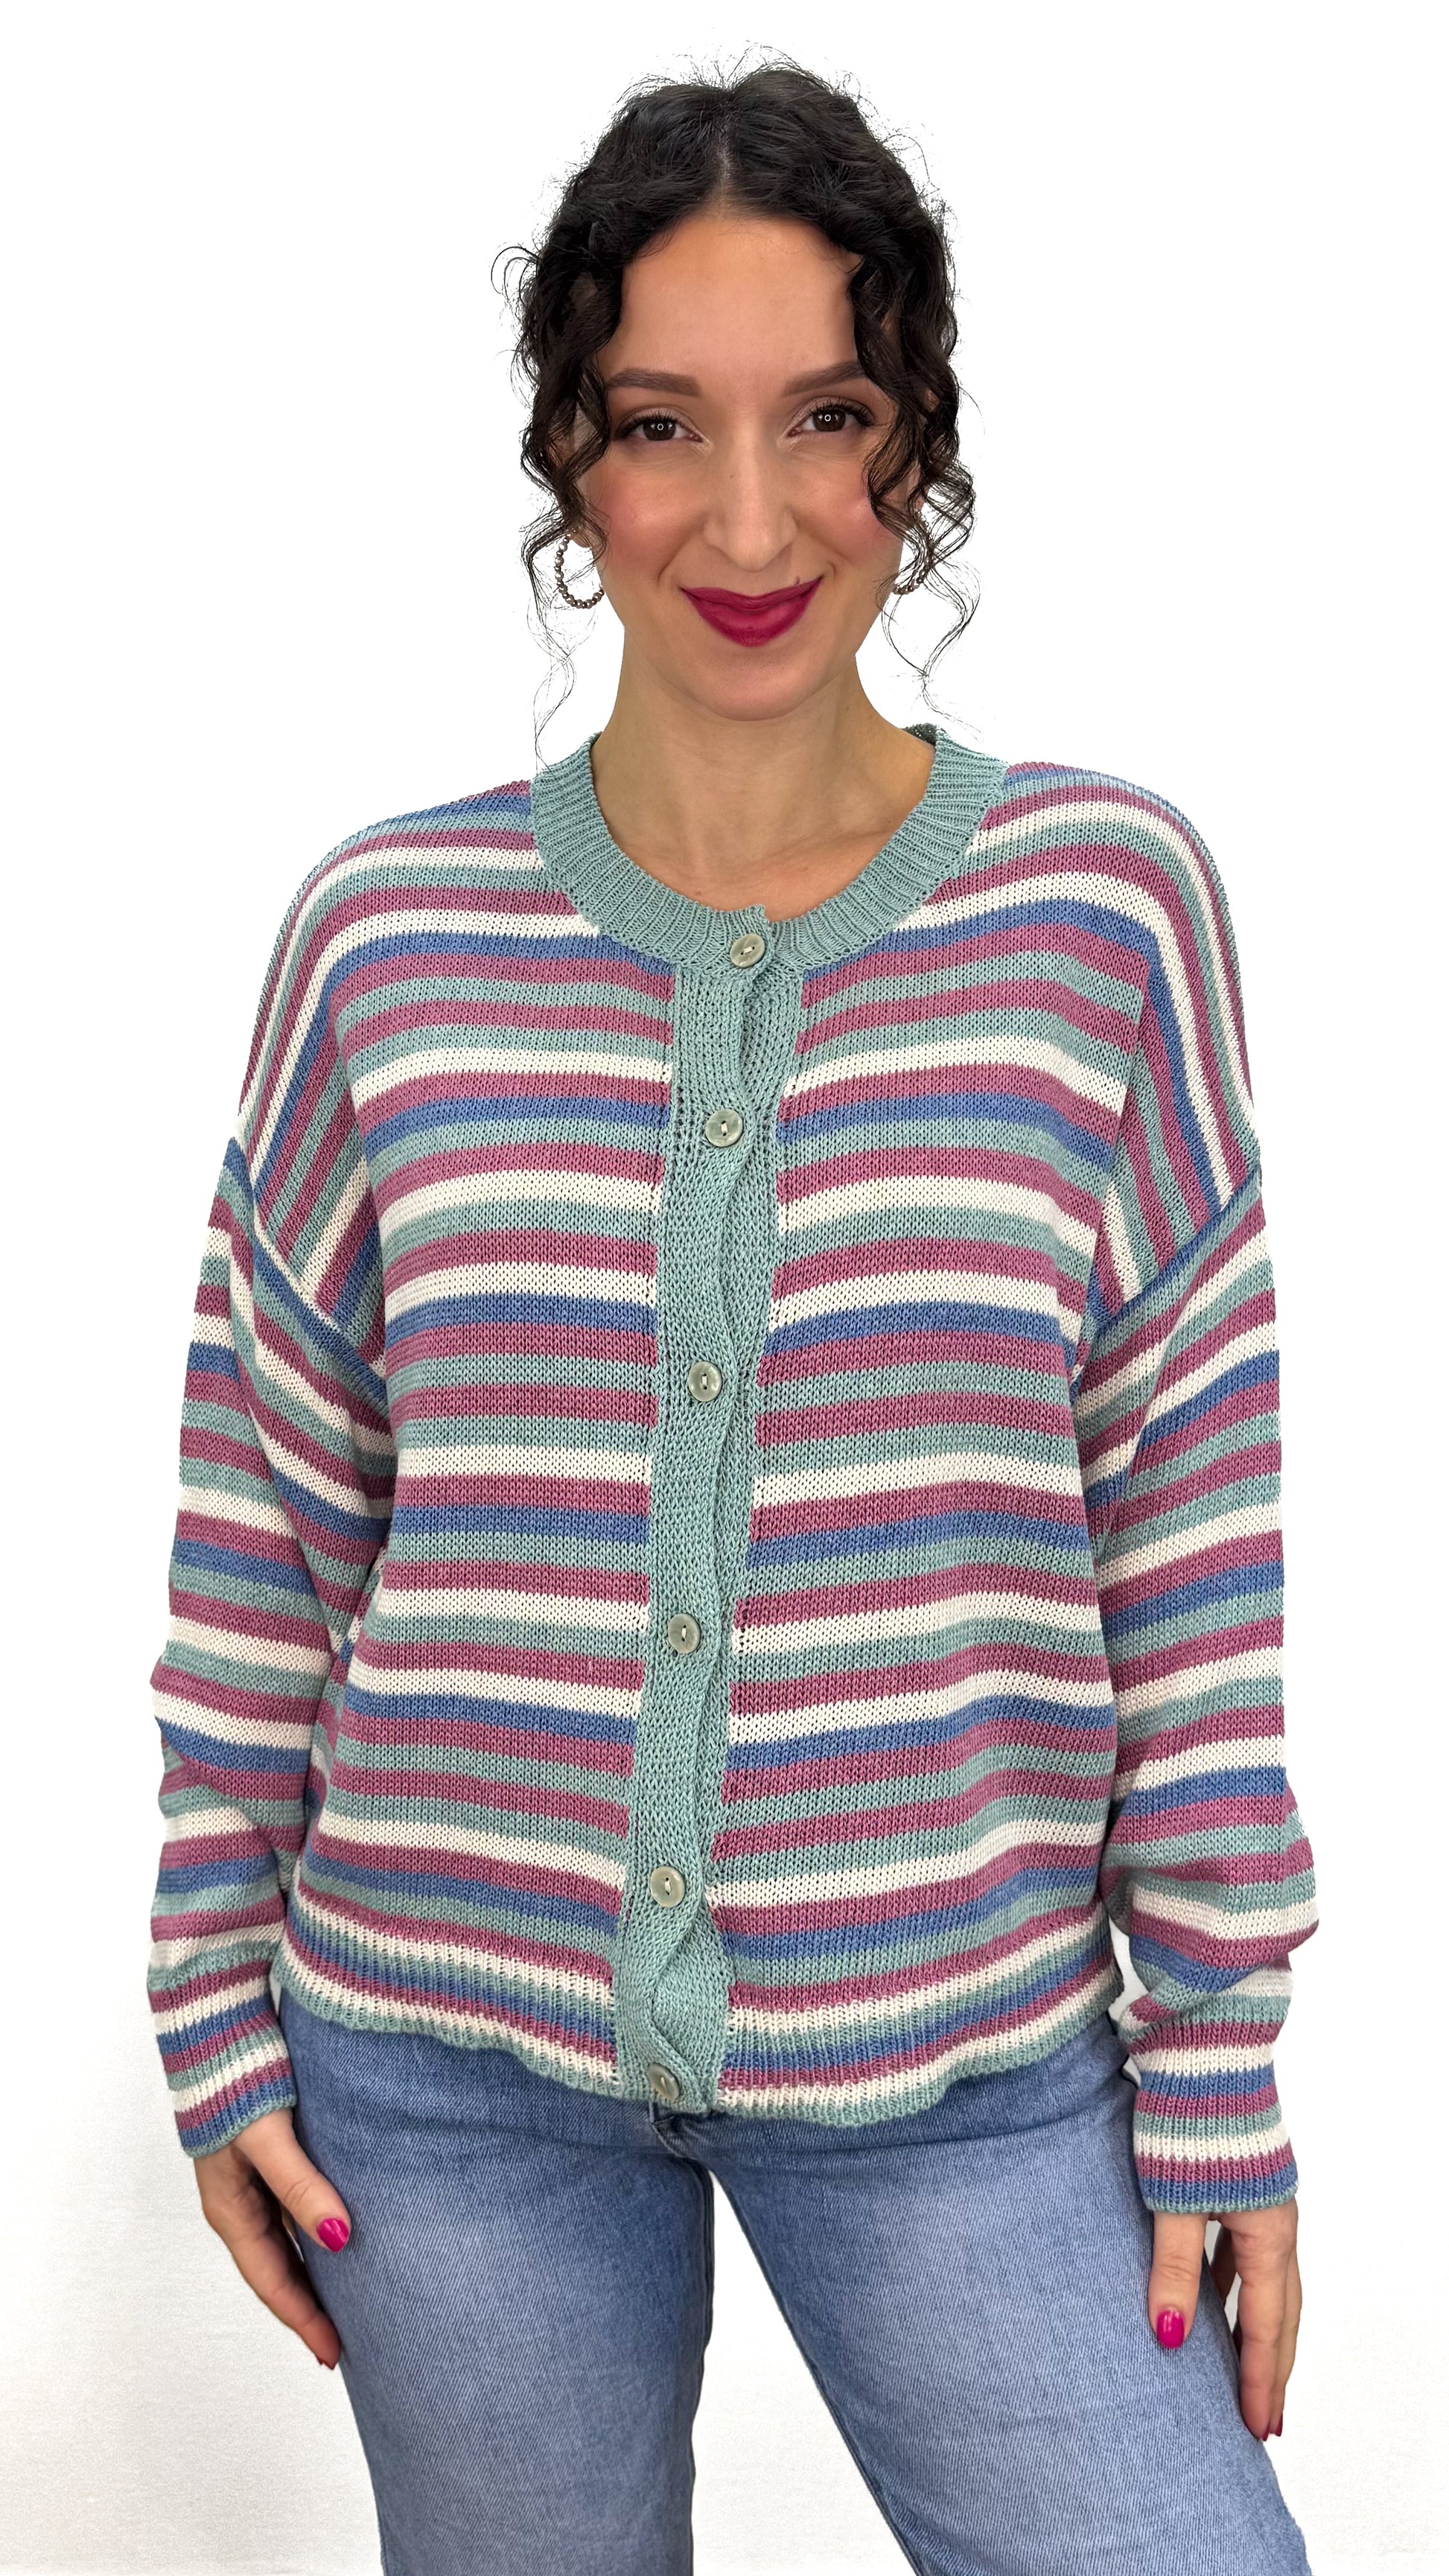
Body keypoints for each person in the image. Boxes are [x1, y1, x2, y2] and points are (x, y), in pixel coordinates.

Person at [145, 61, 1319, 2576]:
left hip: (963, 2050)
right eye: (664, 423)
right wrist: (210, 1998)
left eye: (830, 417)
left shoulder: (1101, 911)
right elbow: (266, 1512)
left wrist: (1215, 2057)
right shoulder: (385, 940)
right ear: (568, 457)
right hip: (438, 2067)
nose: (754, 519)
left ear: (920, 443)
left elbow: (1191, 1532)